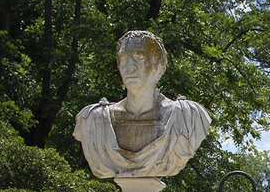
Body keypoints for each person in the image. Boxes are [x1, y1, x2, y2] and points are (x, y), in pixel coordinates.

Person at [74, 30, 211, 180]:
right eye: (124, 58)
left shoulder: (186, 118)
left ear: (159, 68)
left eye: (139, 57)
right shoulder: (95, 120)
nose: (130, 66)